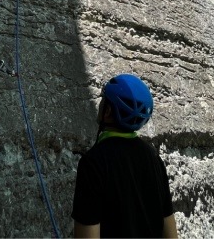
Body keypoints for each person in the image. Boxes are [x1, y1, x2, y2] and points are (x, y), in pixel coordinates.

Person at [72, 74, 178, 238]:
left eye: (103, 100)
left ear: (107, 111)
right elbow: (170, 233)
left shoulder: (93, 163)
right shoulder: (154, 158)